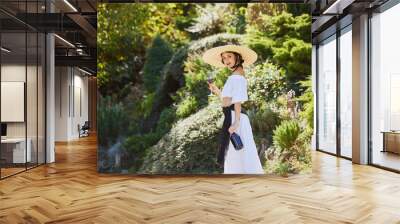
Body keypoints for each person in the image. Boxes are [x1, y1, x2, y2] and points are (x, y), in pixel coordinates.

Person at [202, 44, 264, 174]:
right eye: (224, 58)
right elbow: (227, 101)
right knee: (237, 155)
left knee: (237, 154)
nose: (226, 60)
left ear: (238, 57)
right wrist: (218, 91)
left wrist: (236, 122)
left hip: (235, 118)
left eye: (229, 56)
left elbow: (237, 101)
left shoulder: (236, 76)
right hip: (233, 116)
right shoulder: (236, 75)